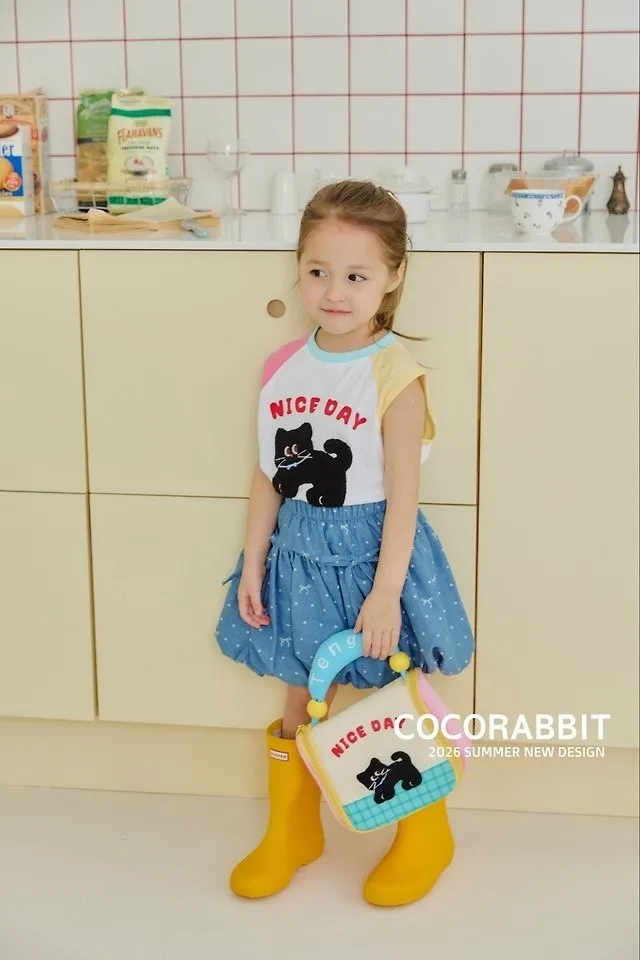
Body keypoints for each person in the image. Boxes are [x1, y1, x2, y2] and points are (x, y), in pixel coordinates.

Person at [215, 179, 474, 907]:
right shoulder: (281, 367)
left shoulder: (395, 375)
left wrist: (386, 592)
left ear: (393, 277)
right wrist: (254, 561)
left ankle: (425, 835)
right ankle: (293, 829)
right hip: (298, 552)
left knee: (389, 690)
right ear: (298, 269)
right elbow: (270, 473)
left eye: (357, 276)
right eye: (318, 271)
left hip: (371, 554)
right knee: (302, 688)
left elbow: (403, 496)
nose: (334, 292)